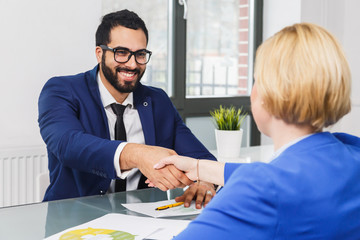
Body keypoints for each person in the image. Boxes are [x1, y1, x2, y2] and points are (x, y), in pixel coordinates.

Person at [154, 23, 360, 239]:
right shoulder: (352, 152)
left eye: (257, 80)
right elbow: (288, 176)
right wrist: (199, 168)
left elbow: (265, 184)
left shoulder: (261, 188)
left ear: (271, 93)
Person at [38, 9, 216, 207]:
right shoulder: (61, 90)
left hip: (143, 221)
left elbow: (201, 158)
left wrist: (205, 181)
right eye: (121, 53)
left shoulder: (157, 100)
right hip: (74, 222)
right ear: (100, 53)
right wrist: (138, 155)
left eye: (140, 54)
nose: (132, 64)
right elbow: (68, 145)